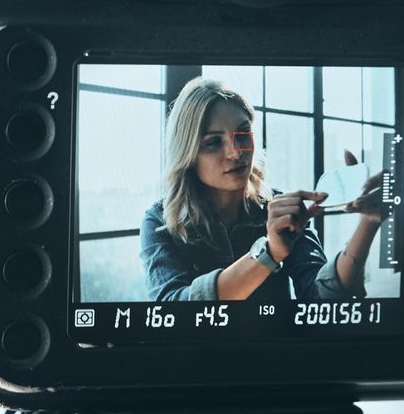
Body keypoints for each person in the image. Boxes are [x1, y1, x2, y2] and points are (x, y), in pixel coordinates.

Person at [139, 77, 384, 303]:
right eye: (213, 142)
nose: (236, 152)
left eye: (243, 134)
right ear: (187, 154)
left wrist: (369, 222)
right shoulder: (159, 221)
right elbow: (172, 310)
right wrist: (269, 253)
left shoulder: (279, 208)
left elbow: (321, 299)